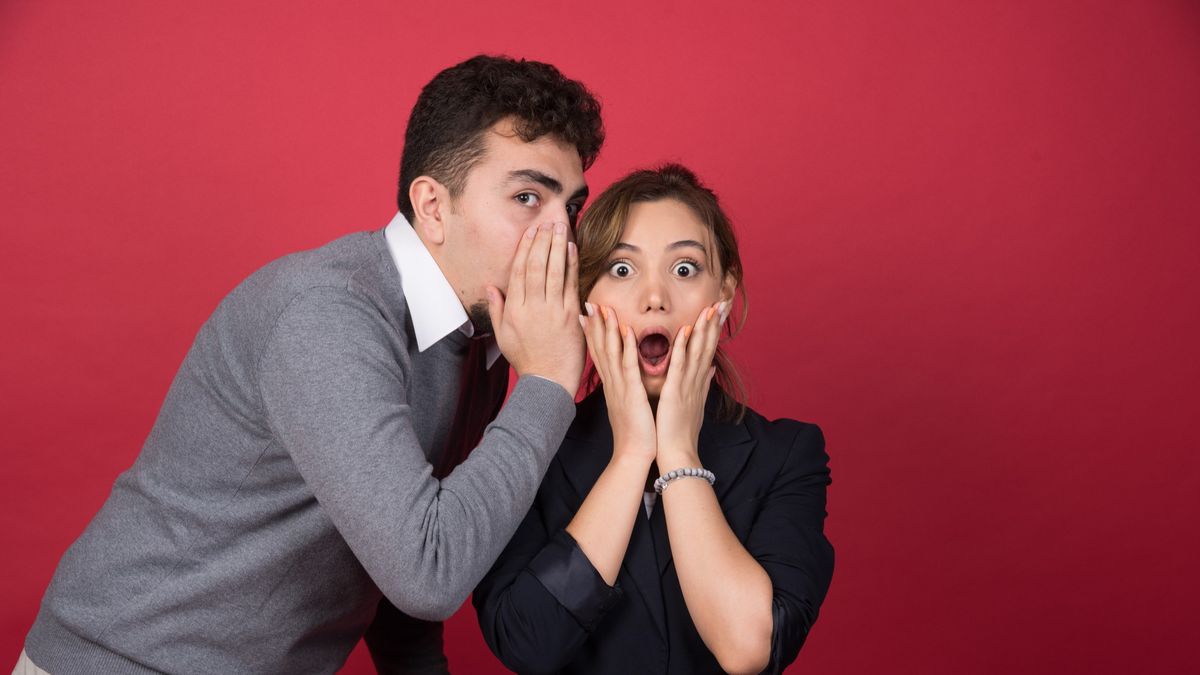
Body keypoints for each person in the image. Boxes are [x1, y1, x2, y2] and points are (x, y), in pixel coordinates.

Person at [15, 55, 603, 674]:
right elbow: (427, 571)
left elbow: (397, 556)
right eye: (527, 197)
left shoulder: (479, 338)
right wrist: (546, 382)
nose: (562, 236)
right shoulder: (326, 314)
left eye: (570, 208)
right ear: (432, 206)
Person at [473, 164, 835, 675]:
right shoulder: (530, 450)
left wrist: (678, 452)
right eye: (622, 270)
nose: (655, 298)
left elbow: (748, 649)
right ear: (585, 295)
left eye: (685, 269)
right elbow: (527, 642)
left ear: (724, 293)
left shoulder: (786, 455)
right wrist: (631, 455)